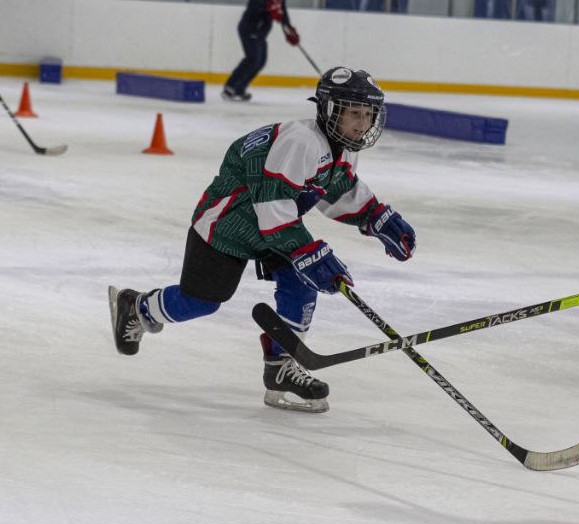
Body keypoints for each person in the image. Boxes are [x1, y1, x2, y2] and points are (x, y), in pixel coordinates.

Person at [109, 67, 416, 414]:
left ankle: (279, 366)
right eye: (354, 113)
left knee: (301, 283)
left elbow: (337, 190)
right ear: (331, 111)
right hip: (228, 225)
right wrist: (310, 254)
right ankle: (138, 307)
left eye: (368, 114)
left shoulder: (343, 147)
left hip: (274, 226)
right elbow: (273, 204)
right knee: (202, 301)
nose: (362, 123)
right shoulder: (301, 140)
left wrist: (377, 218)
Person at [223, 0, 301, 102]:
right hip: (249, 28)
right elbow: (255, 5)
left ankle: (239, 89)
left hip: (260, 32)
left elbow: (282, 11)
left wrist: (288, 28)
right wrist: (268, 7)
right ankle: (230, 86)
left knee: (261, 61)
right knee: (252, 58)